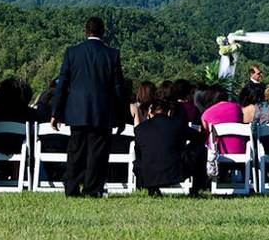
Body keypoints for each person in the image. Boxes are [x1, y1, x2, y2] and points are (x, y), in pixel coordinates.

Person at [51, 17, 126, 198]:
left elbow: (63, 84)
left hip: (77, 110)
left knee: (75, 151)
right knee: (97, 153)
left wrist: (56, 112)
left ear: (86, 31)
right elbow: (118, 88)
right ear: (102, 32)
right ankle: (92, 190)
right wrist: (121, 115)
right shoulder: (112, 54)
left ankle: (72, 188)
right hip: (102, 111)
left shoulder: (72, 52)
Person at [134, 99, 203, 196]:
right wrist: (185, 148)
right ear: (169, 112)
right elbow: (199, 137)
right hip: (175, 172)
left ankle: (153, 189)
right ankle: (195, 189)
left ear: (151, 112)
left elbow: (138, 153)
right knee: (201, 149)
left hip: (147, 174)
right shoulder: (177, 125)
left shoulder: (140, 129)